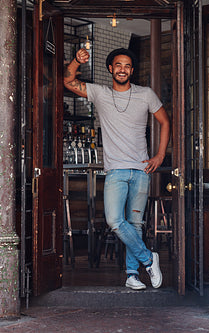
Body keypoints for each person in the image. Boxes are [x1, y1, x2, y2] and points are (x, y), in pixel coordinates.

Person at [64, 48, 170, 290]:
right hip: (115, 171)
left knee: (135, 224)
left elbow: (165, 121)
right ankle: (148, 259)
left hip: (142, 170)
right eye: (118, 65)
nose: (123, 69)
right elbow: (68, 81)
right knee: (114, 220)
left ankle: (132, 275)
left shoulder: (145, 94)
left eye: (127, 65)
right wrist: (76, 61)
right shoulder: (100, 93)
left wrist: (160, 155)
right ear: (110, 68)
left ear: (132, 70)